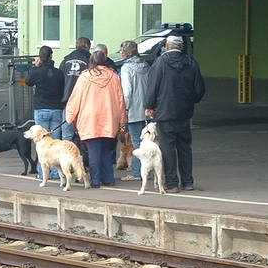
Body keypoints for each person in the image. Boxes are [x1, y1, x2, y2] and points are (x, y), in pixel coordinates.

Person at [144, 35, 205, 193]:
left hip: (165, 112)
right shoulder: (191, 63)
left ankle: (172, 184)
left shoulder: (160, 63)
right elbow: (199, 89)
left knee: (168, 148)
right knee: (185, 147)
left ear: (167, 45)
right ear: (181, 46)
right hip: (184, 112)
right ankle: (188, 182)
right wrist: (191, 100)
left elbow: (153, 86)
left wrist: (149, 106)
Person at [65, 50, 127, 188]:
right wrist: (122, 121)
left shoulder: (84, 77)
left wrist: (70, 116)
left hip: (89, 120)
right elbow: (121, 101)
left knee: (93, 151)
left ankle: (96, 180)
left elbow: (75, 99)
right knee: (106, 151)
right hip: (109, 119)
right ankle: (108, 179)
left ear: (91, 61)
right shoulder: (114, 77)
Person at [26, 45, 64, 180]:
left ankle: (43, 173)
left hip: (41, 108)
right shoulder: (59, 73)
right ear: (51, 56)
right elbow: (62, 88)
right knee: (54, 143)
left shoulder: (37, 72)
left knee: (41, 143)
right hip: (56, 109)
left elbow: (28, 81)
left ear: (40, 57)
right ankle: (55, 173)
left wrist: (35, 67)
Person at [118, 40, 149, 182]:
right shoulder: (145, 65)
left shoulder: (126, 68)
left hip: (133, 111)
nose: (120, 53)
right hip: (146, 109)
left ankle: (137, 173)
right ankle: (147, 170)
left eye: (121, 50)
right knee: (147, 142)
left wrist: (125, 108)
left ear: (126, 52)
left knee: (136, 143)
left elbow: (127, 92)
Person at [59, 36, 91, 142]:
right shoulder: (90, 60)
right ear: (88, 46)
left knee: (67, 134)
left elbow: (60, 80)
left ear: (76, 45)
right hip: (85, 102)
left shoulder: (66, 60)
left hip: (68, 100)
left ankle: (67, 151)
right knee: (85, 133)